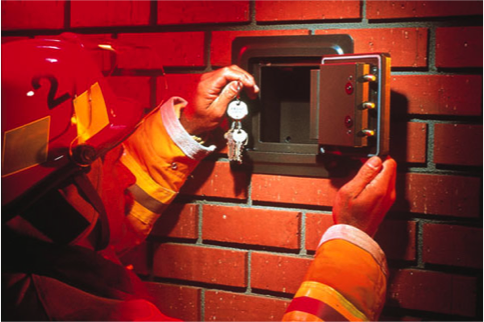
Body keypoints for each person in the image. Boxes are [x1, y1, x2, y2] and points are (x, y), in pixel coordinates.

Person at [1, 35, 396, 322]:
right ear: (63, 199)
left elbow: (106, 215)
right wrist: (351, 241)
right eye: (111, 155)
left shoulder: (32, 245)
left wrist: (187, 126)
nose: (123, 171)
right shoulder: (74, 312)